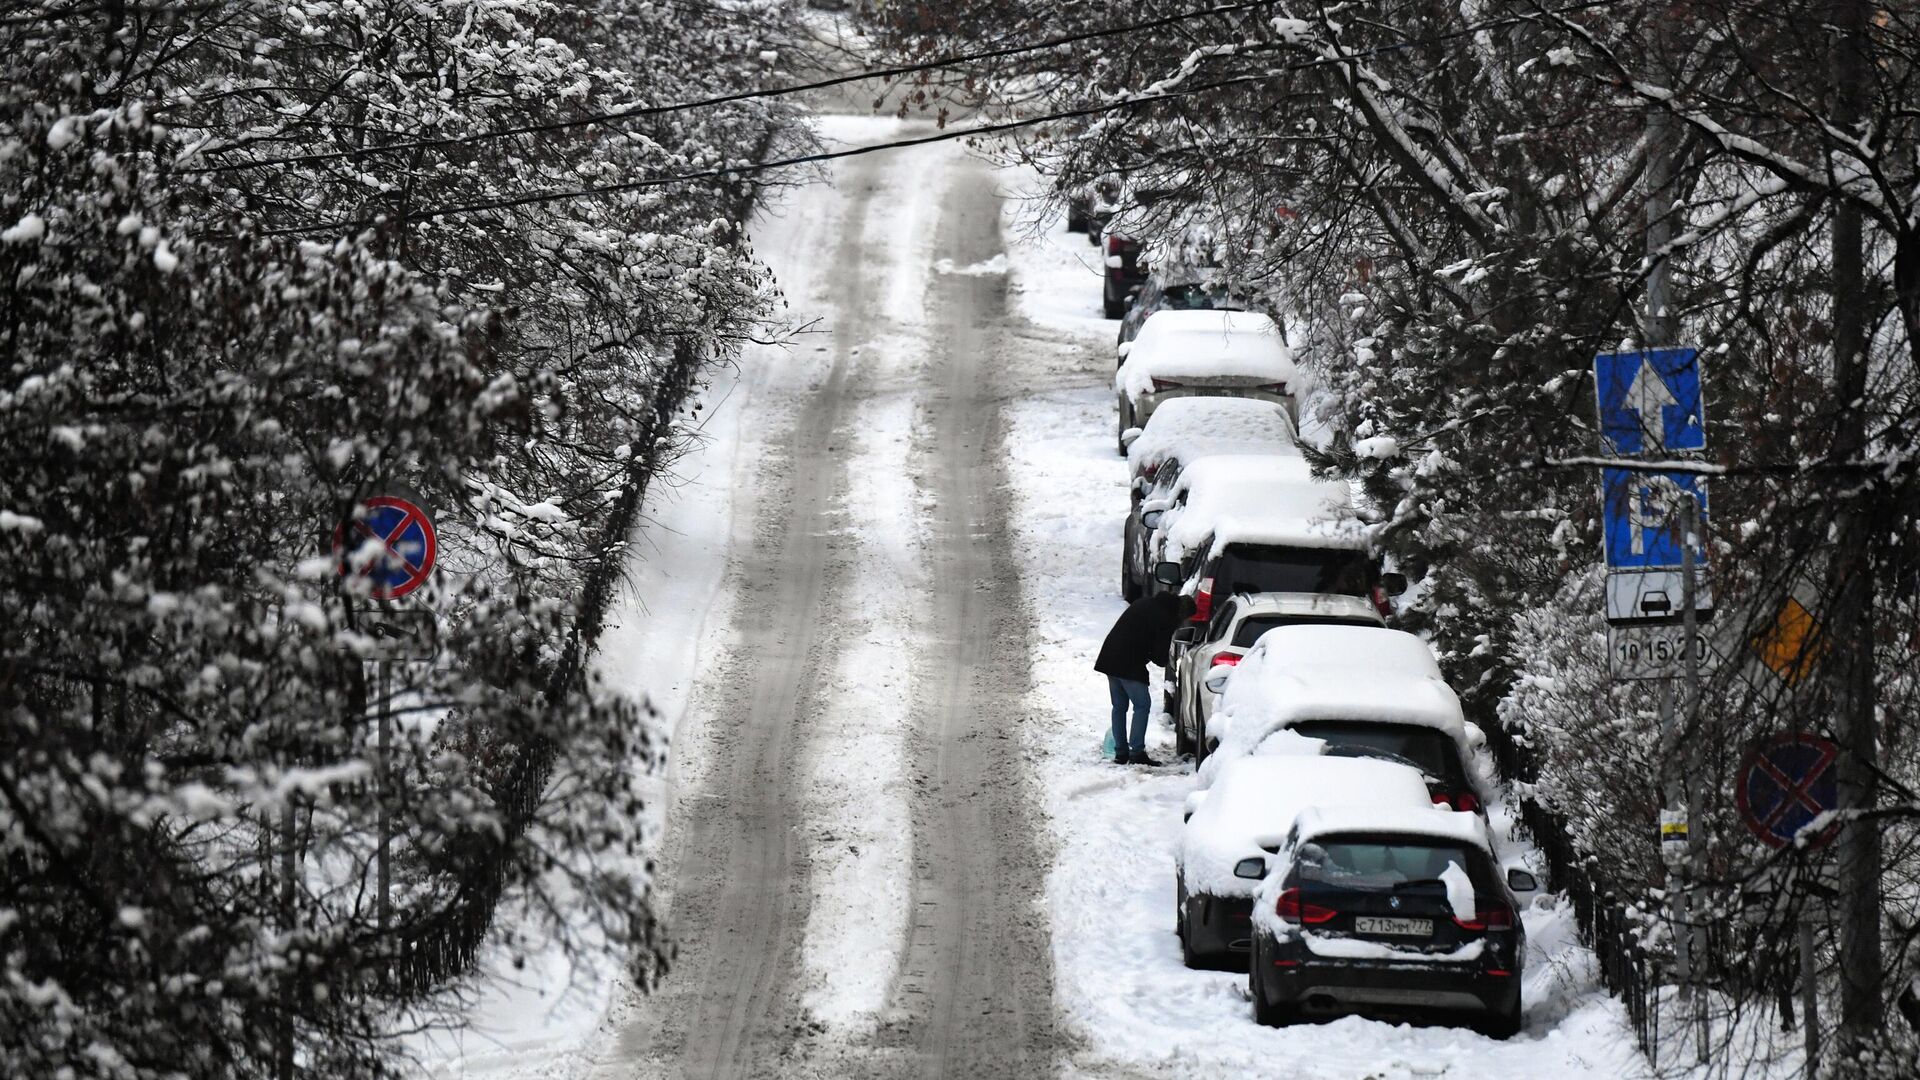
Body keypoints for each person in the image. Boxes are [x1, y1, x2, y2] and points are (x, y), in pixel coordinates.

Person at [1094, 592, 1197, 765]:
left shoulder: (1145, 601)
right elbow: (1160, 657)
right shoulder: (1167, 618)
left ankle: (1121, 752)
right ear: (1182, 613)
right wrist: (1164, 658)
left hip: (1110, 657)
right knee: (1142, 705)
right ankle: (1137, 752)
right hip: (1129, 662)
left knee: (1119, 706)